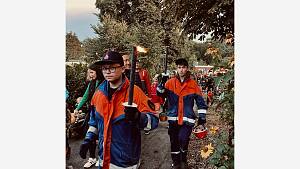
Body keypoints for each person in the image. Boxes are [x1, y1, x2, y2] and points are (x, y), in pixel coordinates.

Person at [79, 51, 159, 169]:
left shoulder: (135, 93)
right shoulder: (98, 94)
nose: (107, 72)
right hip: (103, 160)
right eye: (104, 68)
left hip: (125, 162)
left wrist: (138, 117)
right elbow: (93, 121)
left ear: (122, 69)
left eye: (112, 68)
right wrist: (89, 138)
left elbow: (153, 121)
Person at [157, 58, 208, 169]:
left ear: (187, 68)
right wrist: (162, 81)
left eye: (183, 67)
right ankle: (176, 162)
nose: (181, 70)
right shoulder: (170, 83)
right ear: (177, 69)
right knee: (174, 140)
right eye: (179, 67)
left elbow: (201, 102)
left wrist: (202, 119)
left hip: (187, 119)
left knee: (183, 139)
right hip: (173, 119)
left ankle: (183, 159)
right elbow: (160, 94)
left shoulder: (193, 84)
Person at [74, 62, 104, 168]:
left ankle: (102, 158)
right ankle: (92, 158)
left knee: (102, 136)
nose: (90, 75)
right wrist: (77, 109)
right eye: (89, 72)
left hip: (102, 114)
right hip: (92, 112)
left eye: (92, 72)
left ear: (98, 72)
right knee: (89, 135)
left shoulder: (105, 83)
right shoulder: (92, 83)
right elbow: (86, 95)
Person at [122, 53, 153, 135]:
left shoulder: (143, 72)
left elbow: (148, 84)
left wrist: (149, 96)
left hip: (139, 96)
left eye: (129, 60)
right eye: (125, 61)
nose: (128, 63)